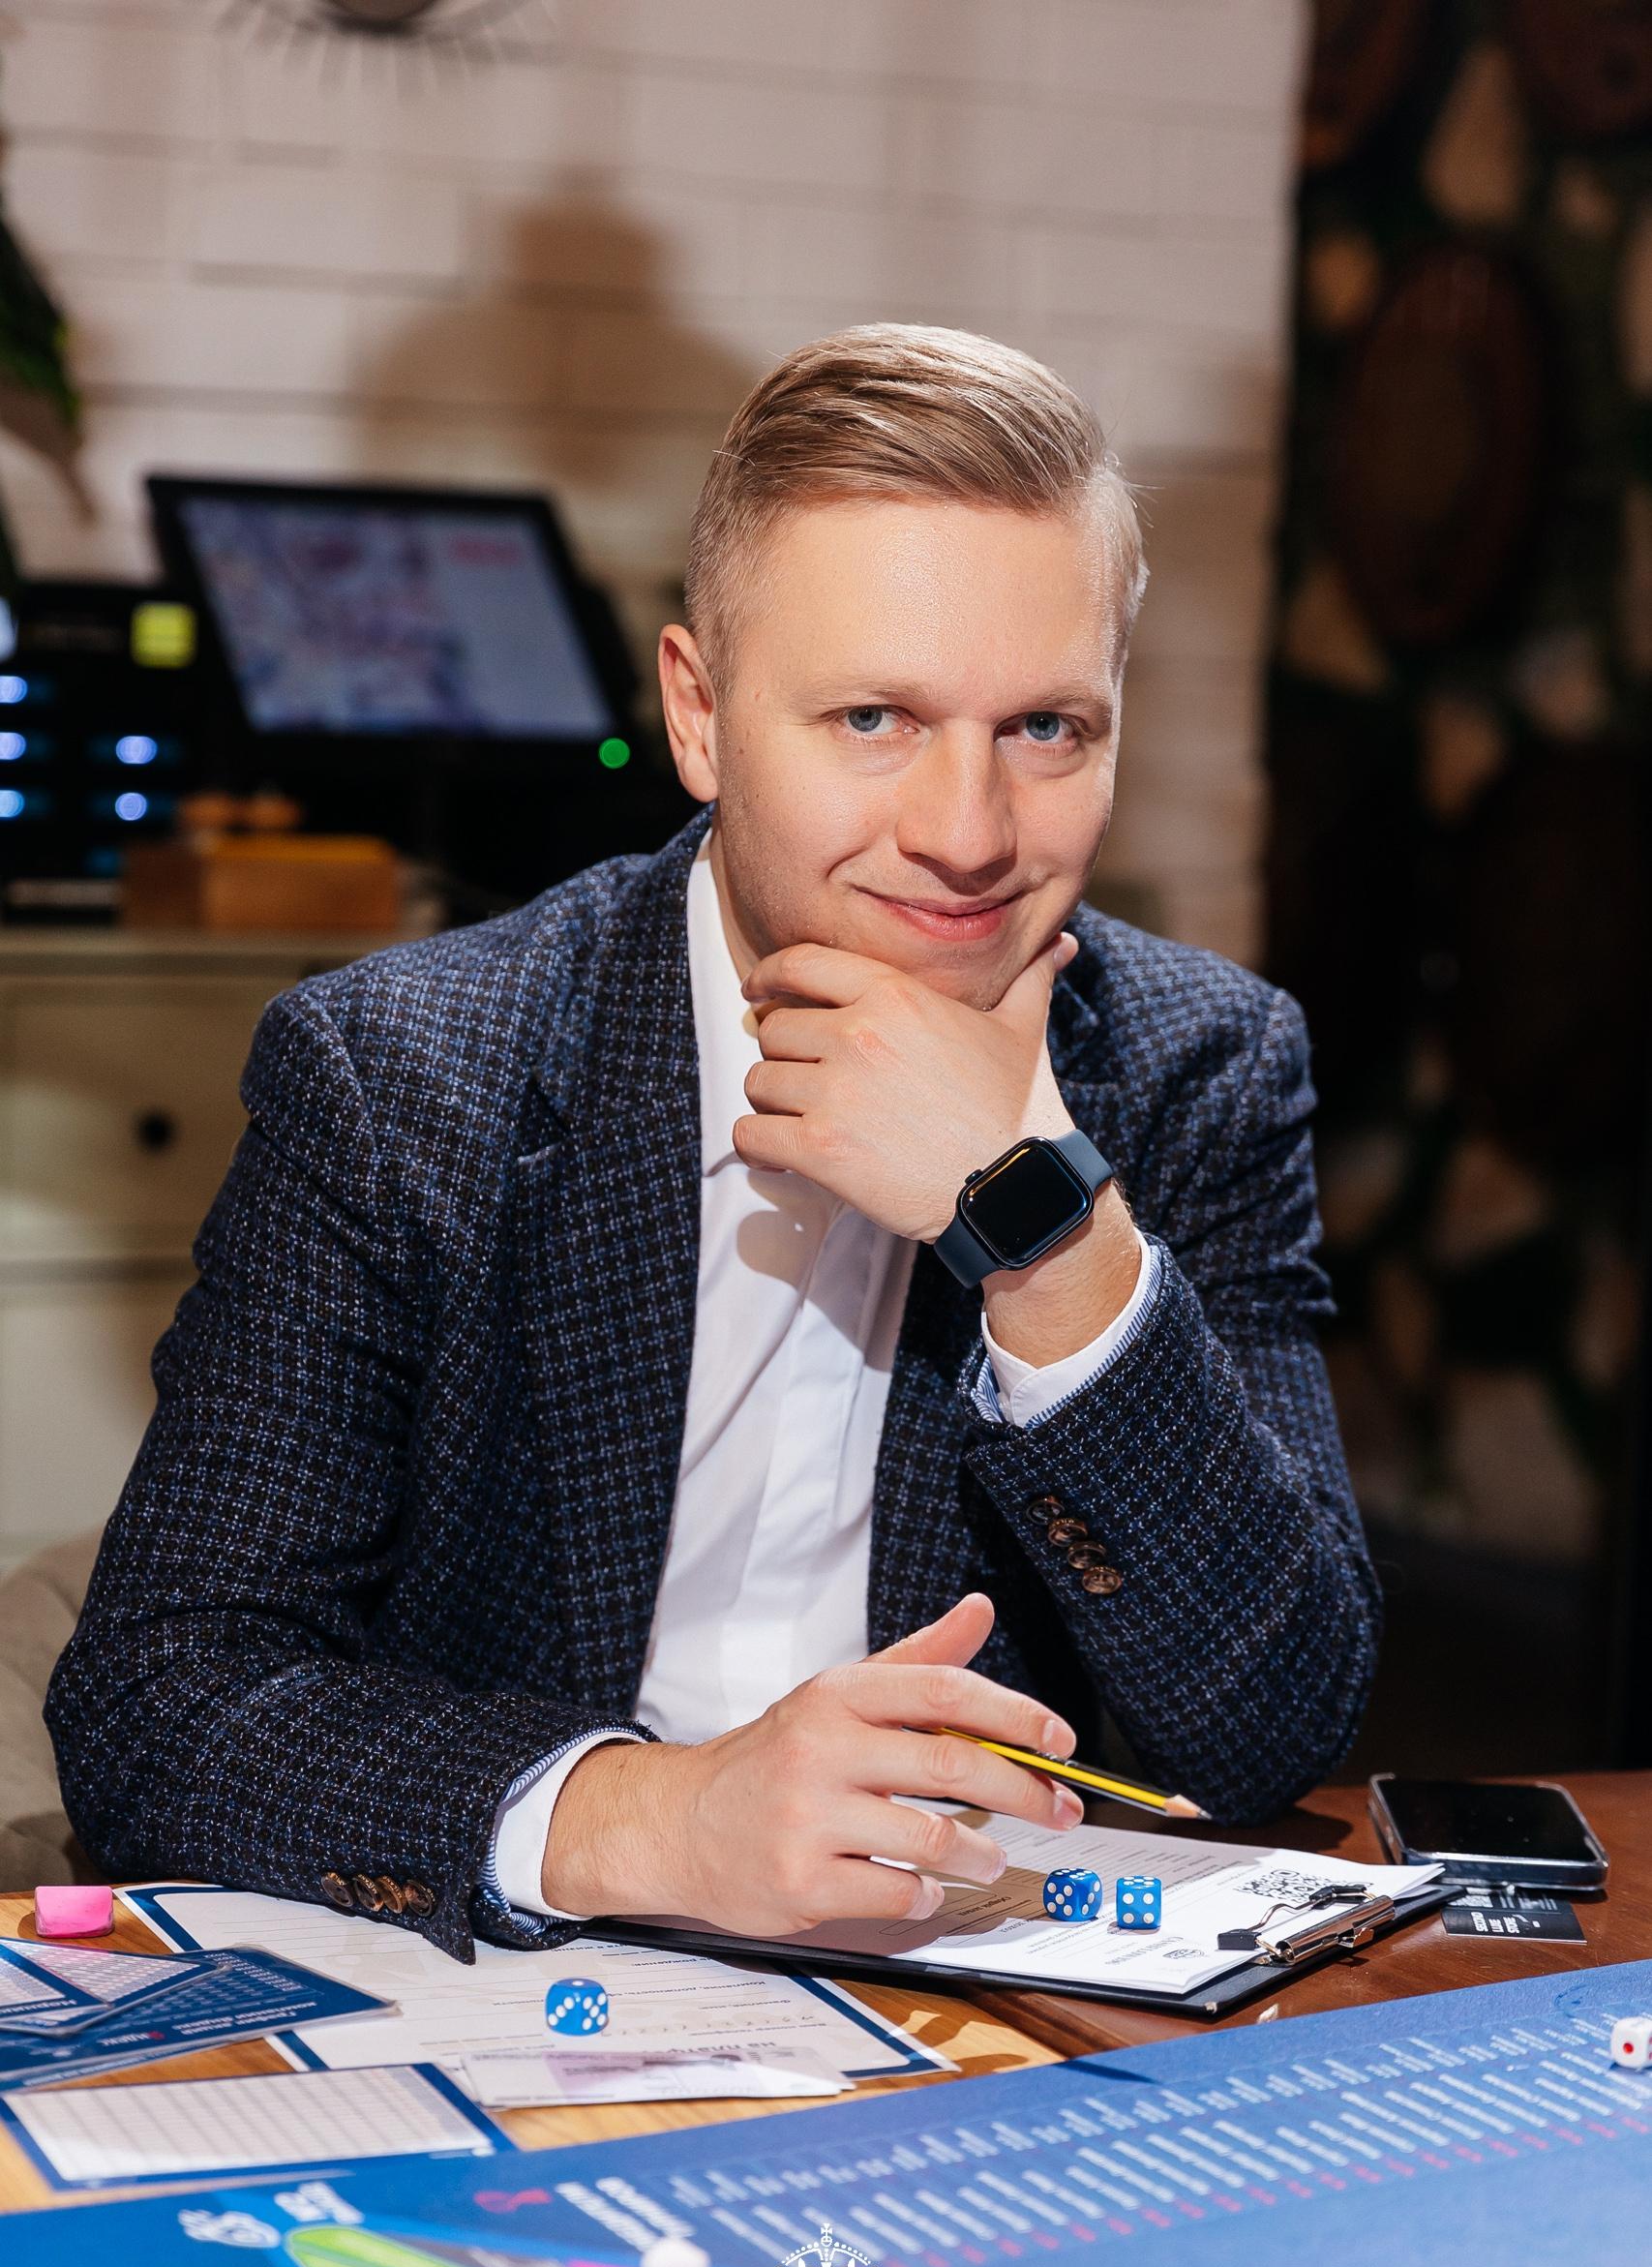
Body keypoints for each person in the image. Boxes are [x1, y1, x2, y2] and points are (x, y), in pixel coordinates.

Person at [45, 326, 1378, 1963]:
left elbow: (1274, 1727)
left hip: (961, 2001)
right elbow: (161, 1699)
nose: (968, 835)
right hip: (529, 1963)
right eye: (875, 718)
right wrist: (664, 1819)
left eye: (1046, 728)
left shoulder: (1193, 1064)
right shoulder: (407, 1076)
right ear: (698, 715)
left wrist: (1043, 1229)